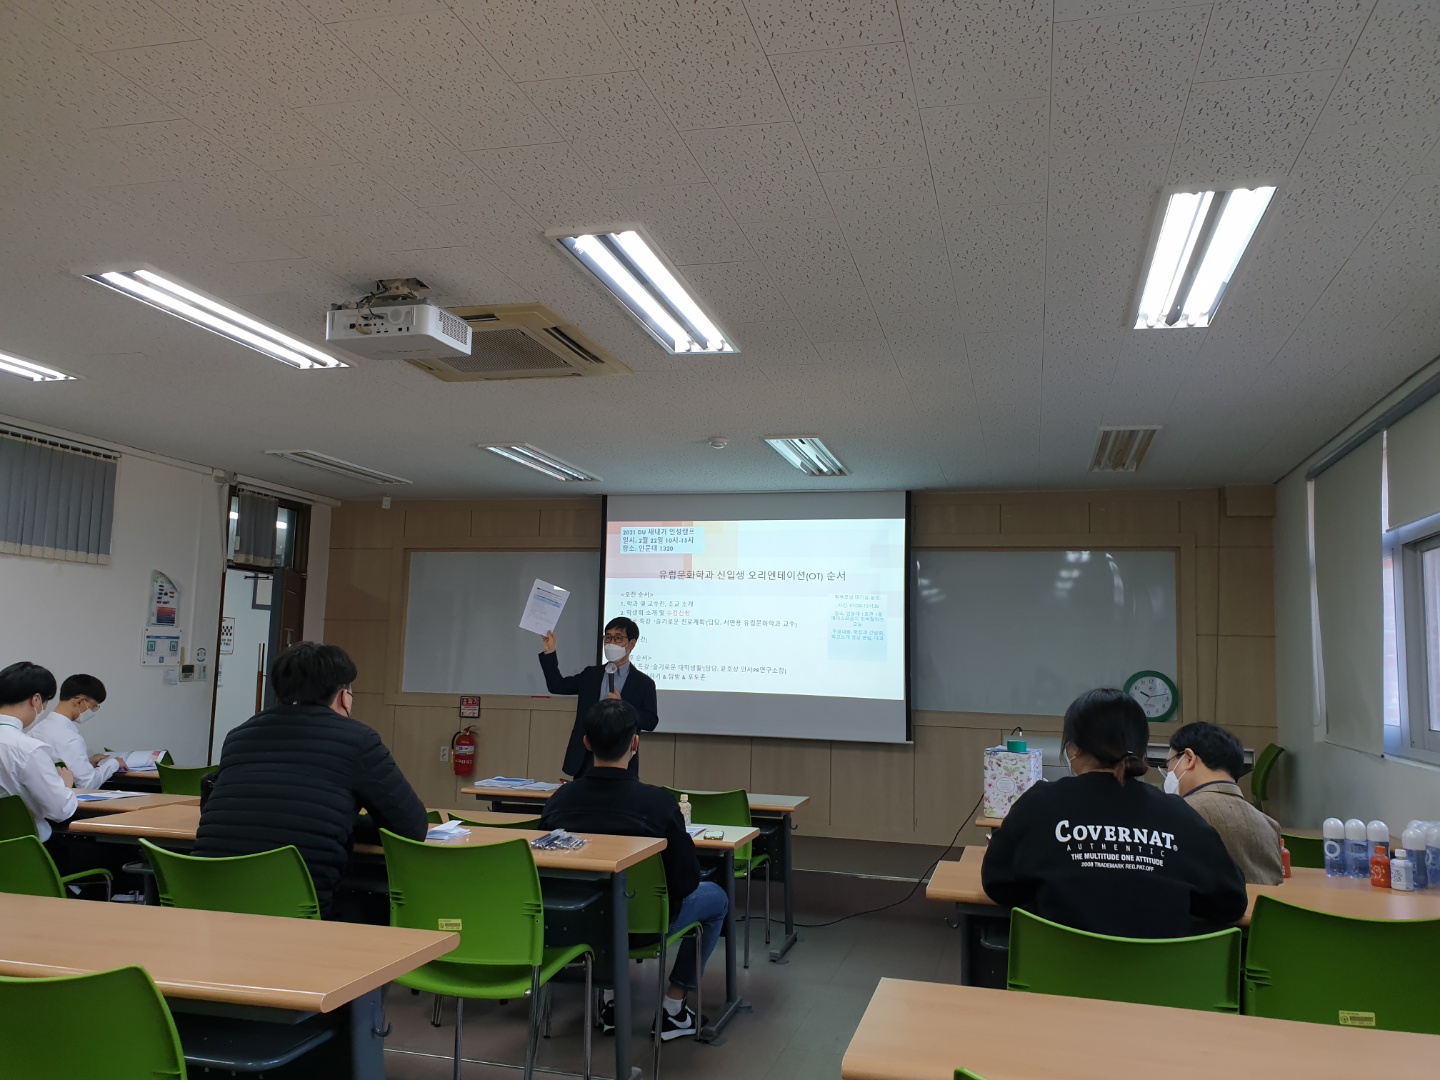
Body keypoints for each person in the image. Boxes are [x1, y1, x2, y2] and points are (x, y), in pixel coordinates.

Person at [982, 688, 1247, 938]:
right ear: (1142, 751)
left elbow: (998, 884)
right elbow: (1230, 903)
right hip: (1159, 971)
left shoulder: (1039, 804)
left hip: (1056, 969)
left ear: (1073, 749)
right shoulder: (1180, 815)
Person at [194, 641, 427, 919]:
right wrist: (343, 824)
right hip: (299, 913)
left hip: (205, 905)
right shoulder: (358, 740)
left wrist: (337, 822)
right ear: (344, 697)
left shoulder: (238, 737)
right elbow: (411, 827)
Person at [539, 699, 725, 1041]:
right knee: (716, 898)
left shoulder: (559, 801)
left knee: (602, 904)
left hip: (575, 924)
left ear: (586, 742)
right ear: (635, 743)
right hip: (645, 925)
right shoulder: (658, 803)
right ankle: (673, 1008)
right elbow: (685, 882)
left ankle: (610, 999)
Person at [1166, 722, 1284, 885]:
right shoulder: (1270, 825)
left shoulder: (1178, 813)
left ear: (1189, 758)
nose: (1168, 772)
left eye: (1169, 764)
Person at [539, 617, 658, 778]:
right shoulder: (591, 674)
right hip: (586, 755)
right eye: (608, 637)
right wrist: (550, 652)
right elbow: (557, 686)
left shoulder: (643, 683)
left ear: (631, 644)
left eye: (618, 638)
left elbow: (651, 721)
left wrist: (623, 706)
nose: (611, 643)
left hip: (622, 759)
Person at [0, 662, 77, 841]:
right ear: (35, 699)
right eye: (45, 702)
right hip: (24, 849)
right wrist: (65, 786)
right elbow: (60, 811)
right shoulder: (27, 749)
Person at [29, 674, 125, 790]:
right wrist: (113, 763)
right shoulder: (70, 738)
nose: (92, 711)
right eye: (93, 707)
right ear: (80, 702)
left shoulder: (37, 729)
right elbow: (87, 784)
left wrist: (87, 763)